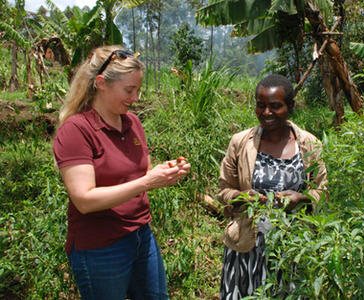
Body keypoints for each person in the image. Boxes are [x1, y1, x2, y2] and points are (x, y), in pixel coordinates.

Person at [53, 45, 191, 300]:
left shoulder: (132, 122)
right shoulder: (77, 130)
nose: (136, 98)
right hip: (101, 247)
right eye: (129, 90)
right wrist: (147, 182)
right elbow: (84, 200)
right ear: (101, 83)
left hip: (141, 235)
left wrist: (164, 172)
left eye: (138, 89)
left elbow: (141, 172)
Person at [218, 74, 327, 299]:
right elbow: (223, 190)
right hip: (247, 248)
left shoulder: (309, 145)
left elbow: (323, 190)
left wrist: (302, 198)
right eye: (261, 105)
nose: (266, 113)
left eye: (275, 106)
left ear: (290, 106)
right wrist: (241, 196)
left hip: (293, 249)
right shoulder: (241, 143)